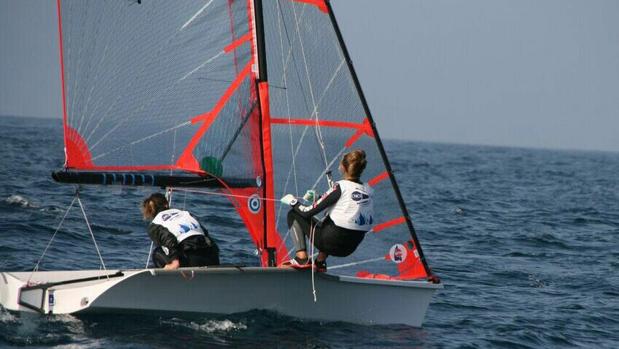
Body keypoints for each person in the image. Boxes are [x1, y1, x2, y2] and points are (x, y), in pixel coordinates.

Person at [280, 149, 374, 271]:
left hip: (329, 242)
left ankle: (301, 259)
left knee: (294, 214)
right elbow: (344, 207)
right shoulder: (368, 191)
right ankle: (320, 262)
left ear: (343, 168)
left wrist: (293, 202)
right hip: (348, 249)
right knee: (333, 222)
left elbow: (306, 212)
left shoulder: (341, 186)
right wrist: (318, 198)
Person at [141, 193, 220, 269]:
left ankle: (174, 275)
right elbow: (205, 233)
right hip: (212, 257)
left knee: (157, 253)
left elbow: (169, 239)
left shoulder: (155, 224)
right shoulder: (185, 213)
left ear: (150, 211)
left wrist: (174, 262)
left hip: (190, 259)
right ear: (166, 204)